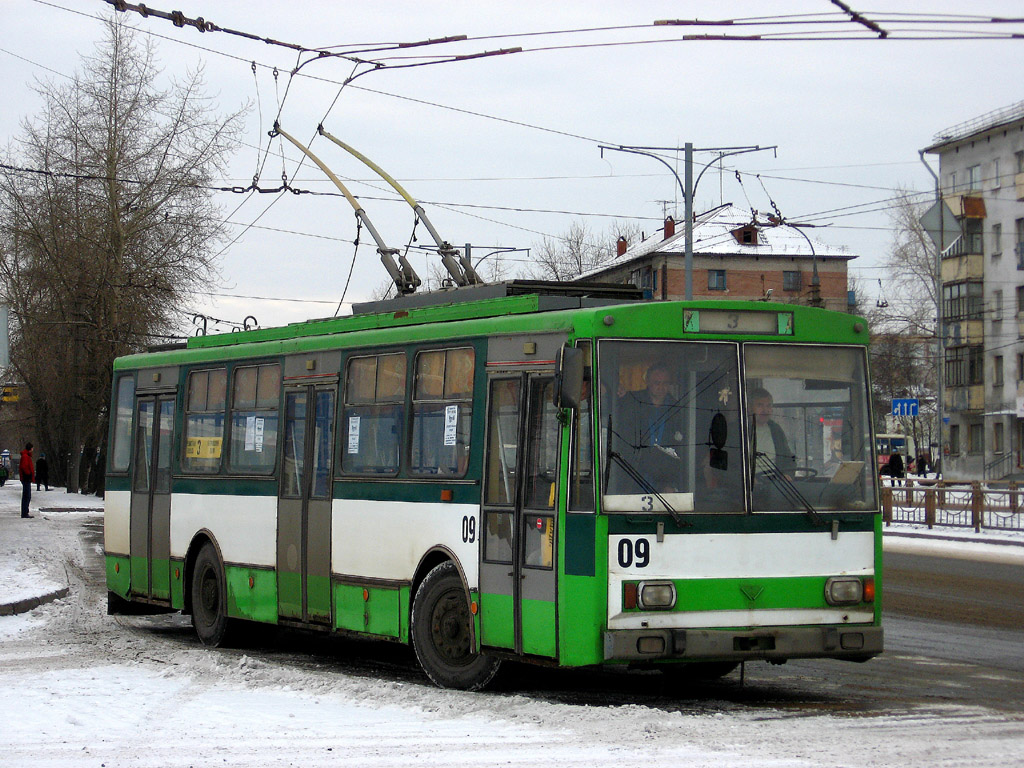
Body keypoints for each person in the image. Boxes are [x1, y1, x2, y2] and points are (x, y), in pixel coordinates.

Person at [613, 362, 685, 493]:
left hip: (664, 477)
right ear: (648, 383)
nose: (661, 387)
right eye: (657, 383)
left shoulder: (678, 409)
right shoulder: (632, 401)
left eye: (665, 383)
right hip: (634, 473)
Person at [748, 387, 795, 477]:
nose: (765, 410)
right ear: (750, 408)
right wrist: (748, 480)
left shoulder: (776, 430)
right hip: (748, 487)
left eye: (768, 406)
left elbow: (789, 459)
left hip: (775, 484)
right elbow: (729, 468)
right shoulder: (738, 431)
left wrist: (787, 475)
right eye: (760, 405)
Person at [19, 442, 34, 519]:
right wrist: (29, 474)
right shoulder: (26, 456)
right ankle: (25, 512)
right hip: (26, 478)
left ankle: (25, 512)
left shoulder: (26, 456)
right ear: (30, 448)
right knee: (27, 496)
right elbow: (24, 467)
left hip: (26, 478)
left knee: (26, 495)